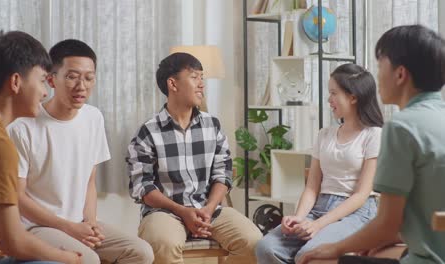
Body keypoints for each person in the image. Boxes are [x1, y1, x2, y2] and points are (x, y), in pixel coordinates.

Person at [298, 25, 445, 264]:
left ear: (400, 74)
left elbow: (386, 223)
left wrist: (334, 249)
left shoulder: (401, 128)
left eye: (380, 66)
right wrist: (396, 236)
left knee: (317, 260)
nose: (377, 77)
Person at [7, 39, 154, 264]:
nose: (81, 86)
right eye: (72, 76)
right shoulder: (22, 127)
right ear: (51, 79)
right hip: (37, 227)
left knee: (141, 252)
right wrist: (69, 227)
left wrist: (91, 222)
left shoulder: (93, 117)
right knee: (88, 260)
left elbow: (89, 181)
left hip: (79, 222)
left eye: (88, 77)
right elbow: (17, 197)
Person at [127, 52, 262, 264]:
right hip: (165, 213)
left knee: (254, 243)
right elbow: (142, 187)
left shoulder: (212, 125)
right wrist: (183, 211)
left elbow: (222, 174)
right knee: (163, 243)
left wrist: (208, 209)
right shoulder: (148, 132)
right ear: (173, 84)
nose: (201, 84)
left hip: (210, 209)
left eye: (202, 77)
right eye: (194, 77)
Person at [255, 63, 384, 264]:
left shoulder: (373, 134)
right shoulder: (325, 134)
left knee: (308, 254)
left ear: (353, 97)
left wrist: (318, 225)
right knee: (266, 248)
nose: (329, 99)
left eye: (334, 93)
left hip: (355, 213)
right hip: (319, 206)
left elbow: (361, 195)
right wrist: (298, 218)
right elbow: (312, 187)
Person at [0, 31, 81, 264]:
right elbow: (12, 241)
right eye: (43, 80)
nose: (46, 92)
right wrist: (68, 258)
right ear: (15, 82)